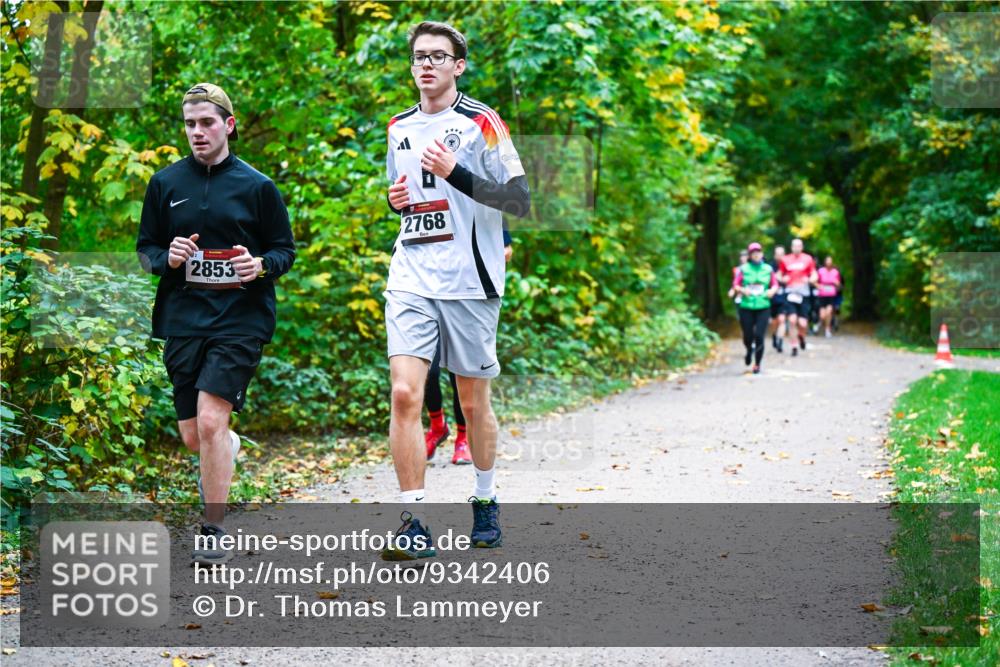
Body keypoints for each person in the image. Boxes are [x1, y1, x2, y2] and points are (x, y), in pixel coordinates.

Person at [382, 21, 530, 559]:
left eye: (438, 57)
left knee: (471, 400)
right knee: (404, 393)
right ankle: (413, 518)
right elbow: (403, 197)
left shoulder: (482, 122)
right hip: (412, 273)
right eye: (419, 56)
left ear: (458, 66)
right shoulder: (398, 126)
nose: (426, 65)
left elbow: (520, 201)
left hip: (471, 279)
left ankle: (485, 499)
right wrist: (396, 201)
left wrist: (457, 173)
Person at [136, 83, 295, 564]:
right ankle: (226, 445)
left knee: (209, 419)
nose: (197, 132)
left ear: (228, 125)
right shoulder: (165, 184)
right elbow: (146, 252)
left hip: (240, 319)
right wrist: (170, 257)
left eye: (207, 123)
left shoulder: (257, 186)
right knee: (196, 435)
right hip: (183, 318)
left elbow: (284, 250)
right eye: (190, 124)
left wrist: (259, 266)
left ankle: (214, 529)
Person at [424, 235, 512, 465]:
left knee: (461, 379)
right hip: (427, 291)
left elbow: (506, 250)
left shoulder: (479, 201)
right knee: (425, 372)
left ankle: (463, 437)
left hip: (465, 294)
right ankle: (437, 426)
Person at [732, 243, 778, 374]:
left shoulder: (768, 269)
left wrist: (772, 291)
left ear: (762, 254)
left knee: (759, 335)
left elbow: (775, 284)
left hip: (763, 306)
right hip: (746, 306)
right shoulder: (743, 269)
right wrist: (742, 289)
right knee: (748, 336)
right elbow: (736, 284)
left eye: (758, 252)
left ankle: (757, 364)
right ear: (750, 255)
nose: (756, 254)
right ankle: (748, 350)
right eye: (753, 252)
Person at [777, 238, 817, 357]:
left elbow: (814, 274)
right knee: (792, 320)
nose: (797, 248)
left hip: (803, 293)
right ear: (791, 247)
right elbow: (778, 274)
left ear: (802, 247)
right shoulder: (785, 259)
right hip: (790, 293)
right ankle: (794, 345)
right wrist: (782, 279)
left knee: (803, 323)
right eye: (794, 246)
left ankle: (801, 337)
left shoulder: (808, 259)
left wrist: (810, 280)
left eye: (799, 246)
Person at [816, 255, 842, 338]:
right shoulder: (820, 271)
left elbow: (839, 286)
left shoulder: (835, 272)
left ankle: (827, 329)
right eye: (827, 261)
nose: (828, 263)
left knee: (829, 312)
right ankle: (819, 323)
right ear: (825, 262)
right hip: (822, 295)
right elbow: (815, 281)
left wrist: (837, 284)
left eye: (830, 261)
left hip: (831, 295)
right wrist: (818, 286)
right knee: (822, 315)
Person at [769, 245, 787, 352]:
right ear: (775, 255)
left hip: (784, 298)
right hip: (772, 298)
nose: (780, 256)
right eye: (778, 254)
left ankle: (780, 341)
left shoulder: (788, 266)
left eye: (782, 254)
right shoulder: (769, 267)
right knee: (774, 322)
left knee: (782, 320)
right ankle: (774, 335)